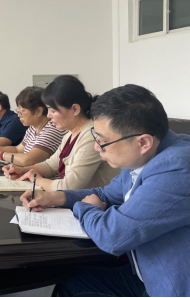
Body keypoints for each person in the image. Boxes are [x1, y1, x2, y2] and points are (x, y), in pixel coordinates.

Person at [21, 85, 190, 298]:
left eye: (103, 142)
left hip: (169, 287)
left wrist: (85, 208)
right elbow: (107, 194)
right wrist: (57, 197)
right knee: (72, 283)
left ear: (143, 142)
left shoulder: (176, 168)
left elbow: (113, 236)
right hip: (145, 275)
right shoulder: (144, 155)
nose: (96, 147)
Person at [4, 76, 119, 191]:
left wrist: (36, 179)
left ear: (75, 109)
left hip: (92, 200)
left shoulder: (91, 136)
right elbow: (50, 165)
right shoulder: (70, 134)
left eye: (53, 110)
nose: (48, 115)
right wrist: (23, 171)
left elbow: (69, 186)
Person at [0, 87, 66, 167]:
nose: (19, 115)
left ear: (39, 111)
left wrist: (1, 155)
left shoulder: (51, 130)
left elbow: (28, 160)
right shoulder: (33, 128)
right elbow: (17, 149)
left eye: (22, 111)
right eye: (18, 111)